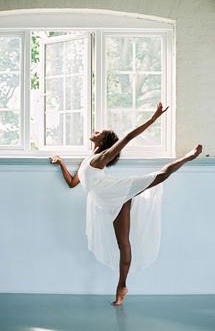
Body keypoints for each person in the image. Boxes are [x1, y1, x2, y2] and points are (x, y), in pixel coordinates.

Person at [50, 103, 202, 306]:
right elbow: (72, 183)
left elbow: (128, 137)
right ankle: (123, 287)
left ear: (104, 141)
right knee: (122, 243)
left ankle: (188, 157)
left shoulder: (102, 157)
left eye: (99, 132)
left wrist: (153, 118)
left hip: (118, 192)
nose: (94, 131)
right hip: (105, 199)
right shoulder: (89, 160)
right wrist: (60, 162)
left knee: (158, 177)